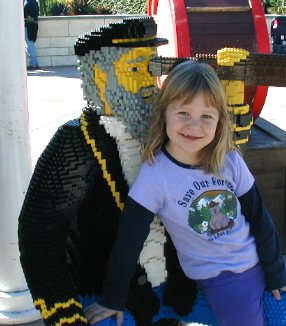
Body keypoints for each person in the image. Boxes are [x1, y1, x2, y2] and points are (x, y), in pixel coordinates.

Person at [84, 60, 286, 326]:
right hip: (225, 278)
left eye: (206, 116)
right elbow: (129, 241)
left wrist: (276, 272)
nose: (194, 125)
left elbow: (259, 219)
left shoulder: (228, 159)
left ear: (220, 119)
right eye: (184, 113)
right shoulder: (156, 175)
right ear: (164, 114)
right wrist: (112, 298)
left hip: (261, 260)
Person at [18, 17, 184, 326]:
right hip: (100, 296)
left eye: (152, 68)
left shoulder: (169, 128)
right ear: (98, 74)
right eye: (135, 70)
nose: (149, 81)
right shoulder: (75, 142)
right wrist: (64, 311)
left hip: (176, 290)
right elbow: (39, 232)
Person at [24, 0, 39, 70]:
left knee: (29, 44)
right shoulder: (35, 2)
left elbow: (25, 15)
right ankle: (34, 63)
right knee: (31, 44)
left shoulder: (27, 3)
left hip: (29, 25)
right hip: (34, 25)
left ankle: (33, 64)